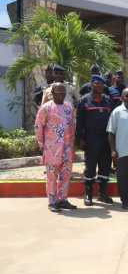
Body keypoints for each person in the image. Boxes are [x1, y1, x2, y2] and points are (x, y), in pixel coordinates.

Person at [34, 83, 77, 213]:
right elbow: (38, 127)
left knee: (66, 174)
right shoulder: (45, 108)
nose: (62, 93)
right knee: (52, 176)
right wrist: (42, 146)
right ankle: (52, 201)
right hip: (52, 148)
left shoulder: (69, 108)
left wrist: (72, 146)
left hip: (67, 148)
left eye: (64, 91)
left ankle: (62, 199)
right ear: (52, 93)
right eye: (58, 91)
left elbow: (72, 127)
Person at [76, 75, 114, 206]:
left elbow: (113, 121)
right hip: (91, 139)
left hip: (106, 139)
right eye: (97, 83)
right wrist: (80, 139)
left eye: (101, 84)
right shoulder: (84, 100)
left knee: (105, 166)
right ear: (91, 85)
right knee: (90, 166)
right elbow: (79, 121)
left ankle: (102, 194)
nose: (100, 86)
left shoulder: (108, 101)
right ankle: (88, 194)